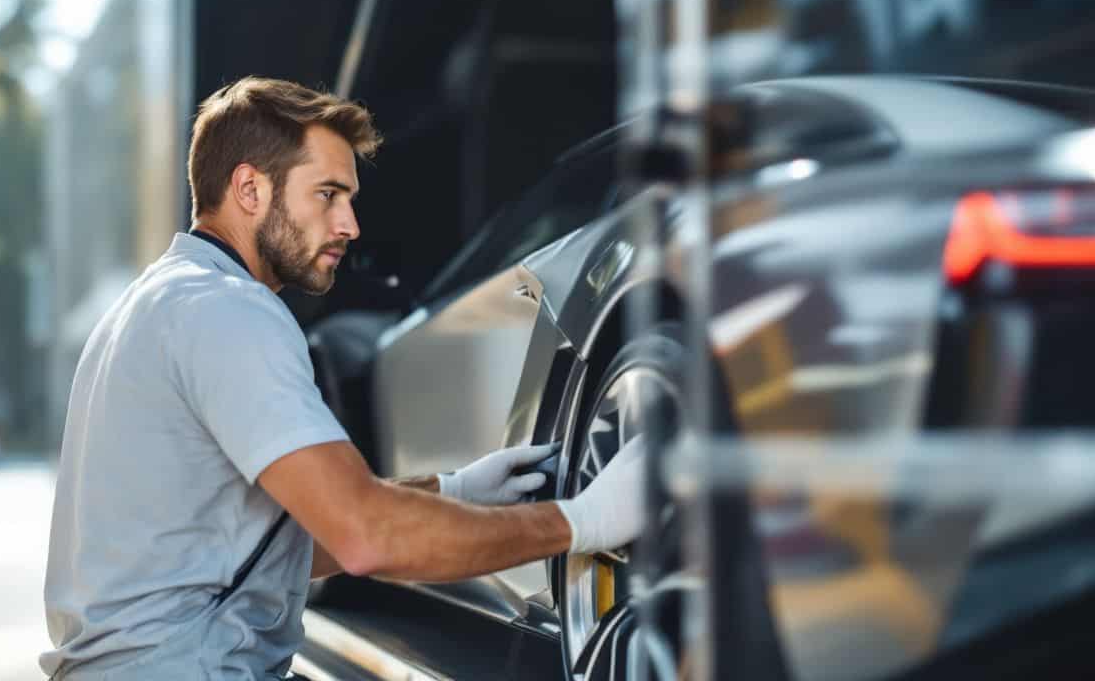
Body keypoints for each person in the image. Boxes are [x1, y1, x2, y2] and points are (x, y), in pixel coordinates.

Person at [40, 76, 646, 680]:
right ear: (249, 188)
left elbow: (271, 551)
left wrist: (455, 491)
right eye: (327, 194)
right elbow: (366, 537)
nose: (350, 224)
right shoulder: (228, 312)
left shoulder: (154, 303)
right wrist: (585, 521)